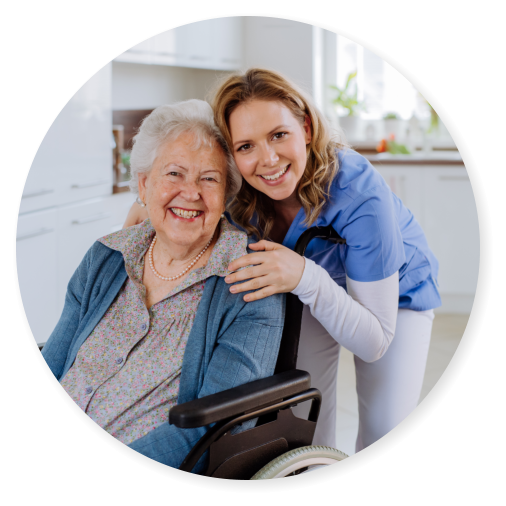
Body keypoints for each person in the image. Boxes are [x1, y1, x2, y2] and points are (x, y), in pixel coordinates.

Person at [124, 69, 441, 453]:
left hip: (395, 295)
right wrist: (148, 206)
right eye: (246, 146)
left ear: (306, 128)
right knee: (304, 414)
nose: (268, 160)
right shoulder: (238, 192)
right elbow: (186, 193)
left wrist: (306, 276)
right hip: (304, 284)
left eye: (278, 135)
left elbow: (374, 342)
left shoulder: (359, 194)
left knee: (382, 426)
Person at [41, 99, 285, 472]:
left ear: (226, 197)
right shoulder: (106, 257)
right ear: (144, 183)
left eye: (209, 178)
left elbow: (214, 428)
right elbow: (55, 361)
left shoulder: (248, 282)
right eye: (174, 173)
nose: (191, 192)